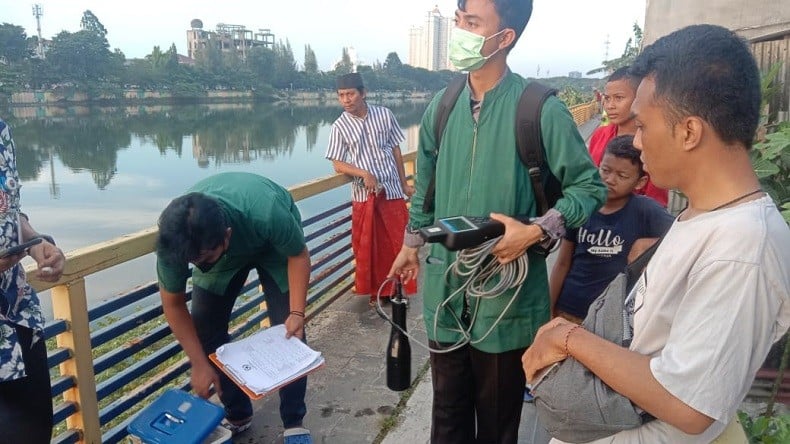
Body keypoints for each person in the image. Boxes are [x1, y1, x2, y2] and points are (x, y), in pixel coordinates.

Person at [522, 24, 790, 443]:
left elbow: (690, 405)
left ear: (689, 132)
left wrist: (568, 337)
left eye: (643, 126)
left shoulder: (742, 248)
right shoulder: (706, 217)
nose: (637, 143)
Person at [388, 0, 606, 441]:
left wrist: (539, 229)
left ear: (504, 38)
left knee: (498, 420)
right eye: (458, 21)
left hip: (506, 299)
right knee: (446, 413)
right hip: (447, 291)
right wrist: (411, 244)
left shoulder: (539, 109)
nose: (460, 31)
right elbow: (425, 188)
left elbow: (589, 187)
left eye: (472, 23)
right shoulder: (442, 105)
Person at [156, 172, 313, 444]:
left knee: (289, 329)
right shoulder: (176, 240)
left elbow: (298, 255)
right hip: (222, 259)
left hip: (274, 248)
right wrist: (198, 363)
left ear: (227, 237)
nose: (196, 265)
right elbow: (173, 303)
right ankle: (238, 414)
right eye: (192, 262)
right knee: (205, 328)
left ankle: (294, 421)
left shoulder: (266, 211)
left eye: (202, 260)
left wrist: (297, 313)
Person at [550, 135, 674, 323]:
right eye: (605, 170)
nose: (610, 179)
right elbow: (562, 263)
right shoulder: (583, 207)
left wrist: (648, 244)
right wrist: (550, 308)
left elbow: (685, 235)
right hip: (568, 310)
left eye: (622, 176)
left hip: (612, 318)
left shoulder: (646, 211)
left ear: (640, 182)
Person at [0, 118, 67, 444]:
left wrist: (35, 241)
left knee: (35, 428)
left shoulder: (1, 131)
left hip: (17, 314)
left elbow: (8, 209)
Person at [325, 73, 416, 306]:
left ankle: (396, 288)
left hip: (393, 190)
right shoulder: (340, 126)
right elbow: (337, 163)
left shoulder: (384, 115)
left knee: (398, 241)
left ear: (363, 93)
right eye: (341, 95)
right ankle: (378, 291)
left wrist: (404, 183)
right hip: (365, 195)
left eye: (350, 94)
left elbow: (396, 150)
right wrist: (364, 173)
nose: (346, 100)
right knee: (369, 246)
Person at [588, 67, 669, 207]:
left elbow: (656, 202)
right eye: (607, 98)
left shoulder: (653, 142)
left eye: (618, 98)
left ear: (639, 98)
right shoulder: (600, 134)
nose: (610, 105)